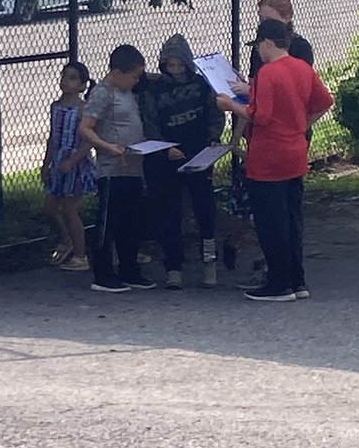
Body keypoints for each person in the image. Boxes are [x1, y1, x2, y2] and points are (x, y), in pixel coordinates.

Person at [217, 20, 333, 302]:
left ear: (267, 43)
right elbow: (324, 101)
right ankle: (297, 279)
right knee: (293, 218)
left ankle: (278, 283)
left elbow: (261, 115)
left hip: (268, 156)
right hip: (295, 151)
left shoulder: (269, 73)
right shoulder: (301, 68)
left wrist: (231, 104)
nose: (258, 51)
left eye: (258, 45)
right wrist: (300, 124)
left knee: (271, 221)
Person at [141, 34, 226, 289]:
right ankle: (173, 266)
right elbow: (149, 122)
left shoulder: (201, 86)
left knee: (205, 211)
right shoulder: (155, 90)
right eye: (171, 66)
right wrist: (164, 148)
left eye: (180, 65)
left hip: (199, 155)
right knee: (169, 212)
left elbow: (215, 114)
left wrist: (213, 138)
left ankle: (209, 262)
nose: (176, 71)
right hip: (168, 158)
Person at [79, 44, 156, 292]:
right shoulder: (104, 92)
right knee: (109, 221)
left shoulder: (128, 92)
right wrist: (108, 146)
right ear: (118, 72)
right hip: (113, 167)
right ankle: (102, 272)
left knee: (131, 222)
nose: (136, 81)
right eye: (133, 76)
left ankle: (129, 268)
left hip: (133, 165)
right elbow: (86, 128)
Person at [41, 61, 96, 273]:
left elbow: (89, 140)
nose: (65, 81)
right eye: (64, 76)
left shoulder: (83, 110)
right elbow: (52, 137)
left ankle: (81, 255)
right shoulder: (56, 106)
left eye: (72, 78)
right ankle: (66, 240)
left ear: (82, 86)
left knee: (70, 208)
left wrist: (72, 161)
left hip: (76, 163)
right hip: (58, 161)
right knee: (50, 205)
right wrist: (47, 162)